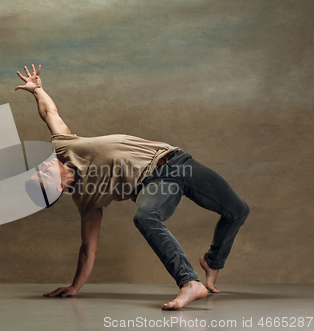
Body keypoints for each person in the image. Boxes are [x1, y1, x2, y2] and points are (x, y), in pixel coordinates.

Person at [16, 64, 250, 310]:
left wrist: (37, 90)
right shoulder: (86, 199)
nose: (40, 167)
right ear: (58, 188)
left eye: (37, 170)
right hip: (156, 182)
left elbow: (49, 113)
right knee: (145, 215)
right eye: (41, 175)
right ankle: (189, 282)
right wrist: (75, 286)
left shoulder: (65, 147)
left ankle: (212, 261)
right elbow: (88, 247)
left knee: (238, 211)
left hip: (178, 160)